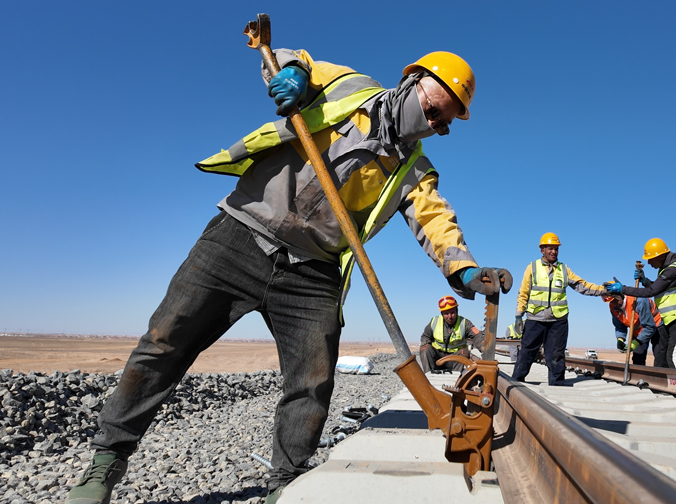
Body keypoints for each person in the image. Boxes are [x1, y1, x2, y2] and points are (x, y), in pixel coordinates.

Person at [66, 49, 512, 504]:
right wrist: (294, 74)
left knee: (311, 382)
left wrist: (464, 269)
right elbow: (288, 58)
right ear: (413, 82)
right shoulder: (349, 86)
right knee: (165, 341)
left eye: (443, 125)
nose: (433, 126)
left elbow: (436, 221)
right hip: (241, 235)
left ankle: (287, 483)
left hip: (313, 272)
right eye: (433, 111)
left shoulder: (413, 169)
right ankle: (106, 462)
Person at [511, 233, 606, 386]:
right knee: (527, 352)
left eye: (556, 249)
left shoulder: (564, 269)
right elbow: (523, 292)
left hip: (558, 321)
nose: (554, 252)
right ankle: (516, 382)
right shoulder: (532, 267)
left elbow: (582, 285)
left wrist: (603, 290)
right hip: (535, 319)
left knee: (556, 355)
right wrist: (518, 314)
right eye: (550, 248)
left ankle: (557, 385)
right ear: (542, 250)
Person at [605, 238, 676, 369]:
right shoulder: (665, 270)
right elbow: (657, 288)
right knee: (661, 359)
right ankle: (661, 381)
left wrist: (623, 288)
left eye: (650, 259)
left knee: (672, 358)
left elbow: (651, 291)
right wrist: (644, 280)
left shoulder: (673, 270)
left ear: (660, 256)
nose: (649, 262)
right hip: (669, 318)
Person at [419, 296, 485, 372]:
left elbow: (476, 335)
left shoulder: (465, 323)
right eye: (446, 313)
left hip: (454, 359)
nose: (450, 316)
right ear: (442, 314)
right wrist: (426, 344)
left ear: (457, 311)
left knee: (464, 351)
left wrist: (484, 348)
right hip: (437, 358)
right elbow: (425, 336)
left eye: (452, 313)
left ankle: (456, 377)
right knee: (425, 348)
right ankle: (429, 376)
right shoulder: (434, 322)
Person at [604, 287, 661, 366]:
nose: (614, 304)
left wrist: (636, 342)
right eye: (611, 302)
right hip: (638, 331)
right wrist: (620, 339)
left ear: (620, 296)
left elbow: (649, 326)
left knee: (660, 357)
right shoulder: (613, 307)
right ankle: (639, 374)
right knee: (638, 359)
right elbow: (620, 326)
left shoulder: (638, 300)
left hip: (656, 325)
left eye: (615, 300)